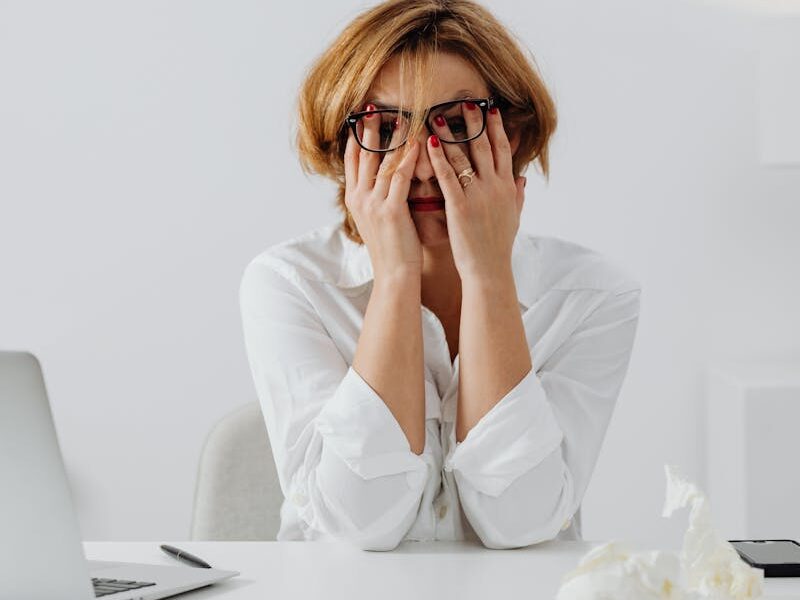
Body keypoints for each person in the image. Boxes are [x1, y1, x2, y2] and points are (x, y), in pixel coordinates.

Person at [239, 0, 641, 551]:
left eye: (455, 122)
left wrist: (488, 276)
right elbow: (361, 524)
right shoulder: (290, 284)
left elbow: (520, 523)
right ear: (343, 144)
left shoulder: (591, 296)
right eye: (384, 127)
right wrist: (396, 278)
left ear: (515, 135)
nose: (424, 166)